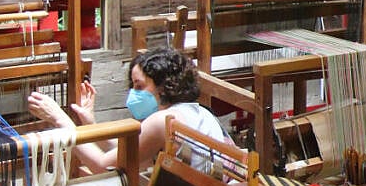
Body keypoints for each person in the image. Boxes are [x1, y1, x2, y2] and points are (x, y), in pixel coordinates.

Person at [28, 47, 228, 174]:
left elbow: (104, 166)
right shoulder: (194, 112)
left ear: (164, 86)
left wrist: (60, 120)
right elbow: (128, 151)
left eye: (139, 86)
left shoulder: (163, 121)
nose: (133, 94)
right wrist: (90, 124)